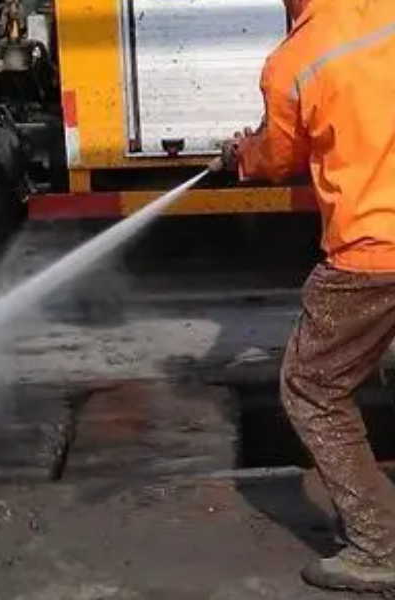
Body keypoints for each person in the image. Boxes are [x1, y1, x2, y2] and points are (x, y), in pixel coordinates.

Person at [214, 0, 395, 593]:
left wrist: (244, 155)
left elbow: (279, 156)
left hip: (374, 250)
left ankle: (378, 547)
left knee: (311, 388)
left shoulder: (295, 60)